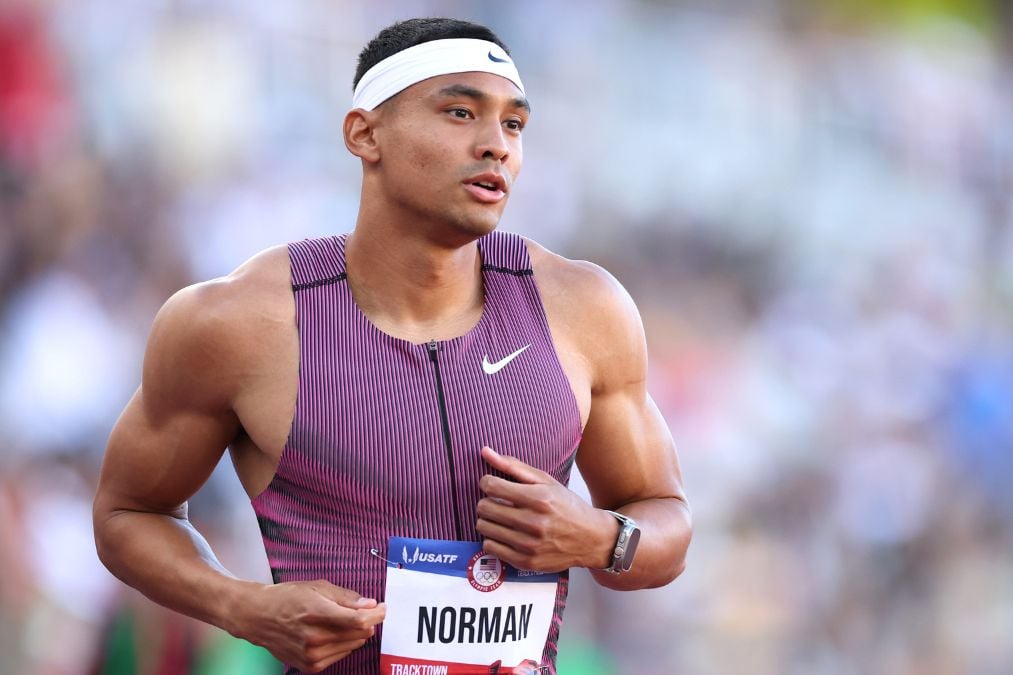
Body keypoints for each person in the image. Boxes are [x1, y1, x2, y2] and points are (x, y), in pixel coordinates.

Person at [92, 16, 691, 675]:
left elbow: (666, 521)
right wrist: (244, 608)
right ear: (364, 133)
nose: (496, 145)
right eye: (460, 112)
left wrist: (602, 537)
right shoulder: (240, 321)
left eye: (514, 124)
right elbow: (126, 512)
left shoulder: (584, 311)